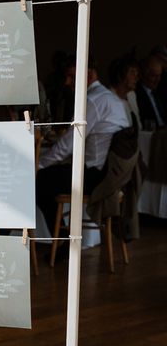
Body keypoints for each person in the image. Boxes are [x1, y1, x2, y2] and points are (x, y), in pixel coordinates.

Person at [36, 62, 130, 231]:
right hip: (114, 175)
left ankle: (61, 240)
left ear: (90, 74)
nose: (67, 82)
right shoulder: (112, 98)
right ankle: (61, 240)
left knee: (38, 180)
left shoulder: (92, 100)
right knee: (49, 176)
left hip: (95, 177)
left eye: (72, 76)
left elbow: (67, 146)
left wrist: (37, 164)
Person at [108, 55, 140, 129]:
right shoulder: (109, 99)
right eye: (132, 73)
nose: (136, 78)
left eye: (137, 74)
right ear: (120, 75)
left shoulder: (132, 95)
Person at [135, 55, 166, 129]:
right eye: (154, 76)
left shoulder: (161, 91)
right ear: (143, 75)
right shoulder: (136, 93)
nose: (158, 79)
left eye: (159, 75)